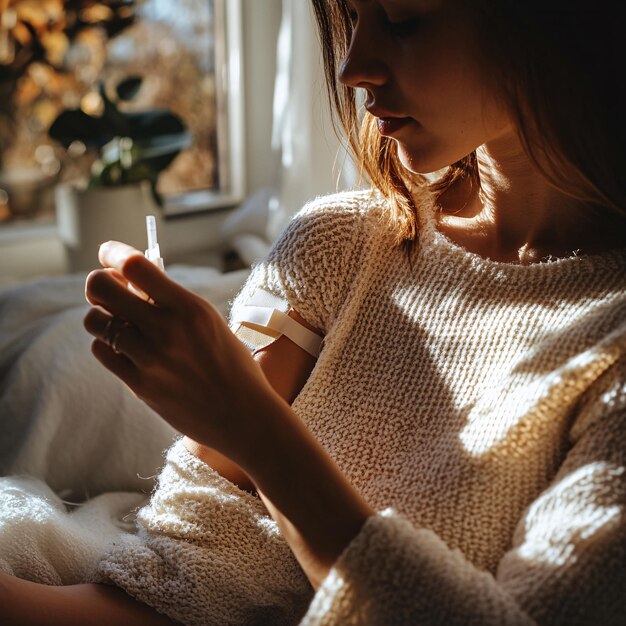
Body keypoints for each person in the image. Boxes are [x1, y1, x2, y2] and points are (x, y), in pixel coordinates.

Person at [1, 0, 625, 623]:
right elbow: (187, 581)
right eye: (351, 21)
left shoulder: (609, 348)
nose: (354, 67)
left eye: (404, 22)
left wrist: (251, 424)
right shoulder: (336, 245)